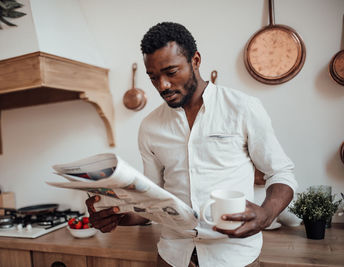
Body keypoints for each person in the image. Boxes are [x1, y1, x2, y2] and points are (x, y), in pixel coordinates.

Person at [86, 22, 297, 267]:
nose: (162, 85)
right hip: (172, 257)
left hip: (234, 257)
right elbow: (153, 201)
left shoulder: (243, 108)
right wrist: (116, 215)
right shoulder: (149, 126)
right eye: (153, 77)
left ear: (195, 60)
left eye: (171, 72)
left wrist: (266, 214)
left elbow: (281, 172)